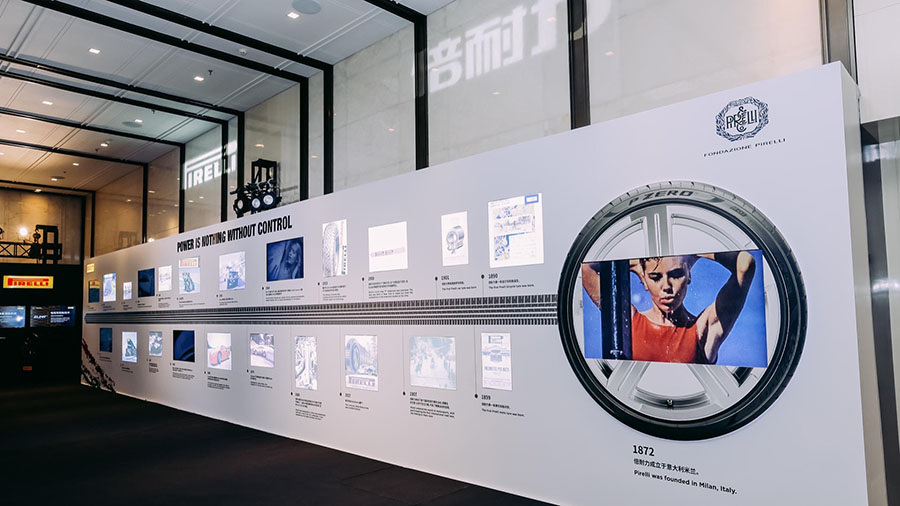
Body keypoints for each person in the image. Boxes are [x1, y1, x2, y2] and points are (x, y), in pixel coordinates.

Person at [582, 251, 755, 364]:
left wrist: (695, 254)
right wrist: (637, 262)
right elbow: (586, 267)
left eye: (676, 274)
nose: (666, 286)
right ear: (644, 280)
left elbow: (745, 264)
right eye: (655, 277)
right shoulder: (628, 321)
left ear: (688, 275)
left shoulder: (704, 329)